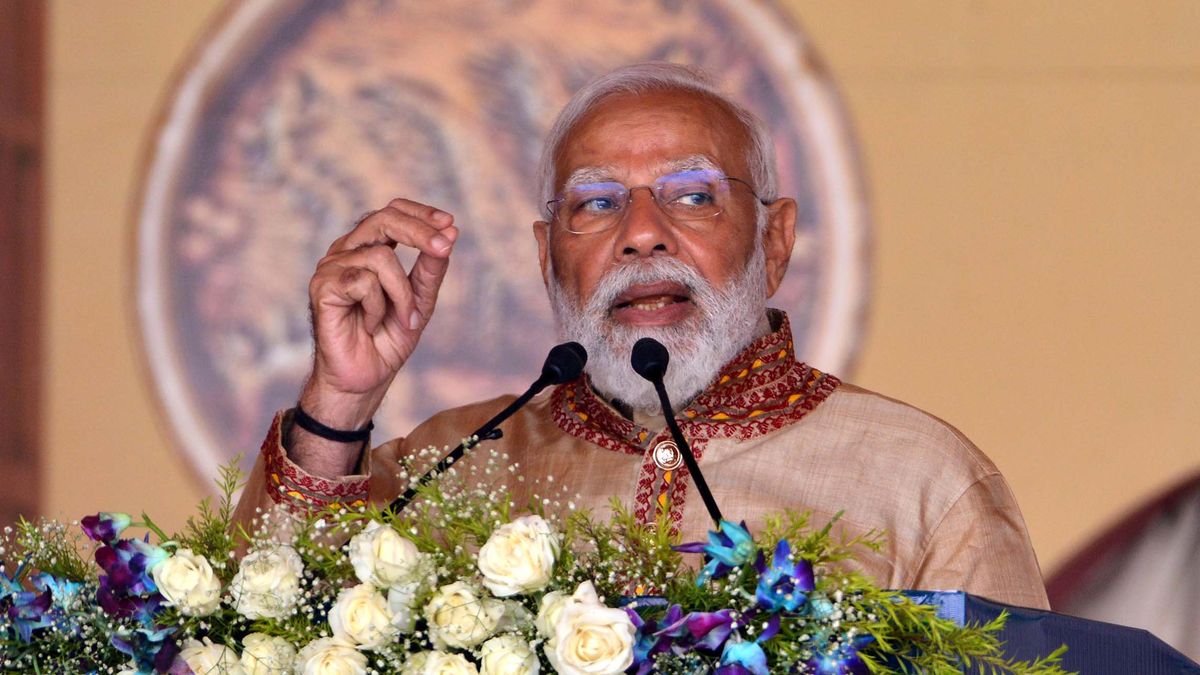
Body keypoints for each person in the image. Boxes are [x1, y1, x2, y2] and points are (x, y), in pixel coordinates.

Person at [232, 62, 1049, 609]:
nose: (642, 233)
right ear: (547, 256)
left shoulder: (926, 481)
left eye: (693, 195)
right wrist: (340, 400)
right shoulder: (452, 462)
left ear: (774, 240)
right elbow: (259, 628)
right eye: (595, 203)